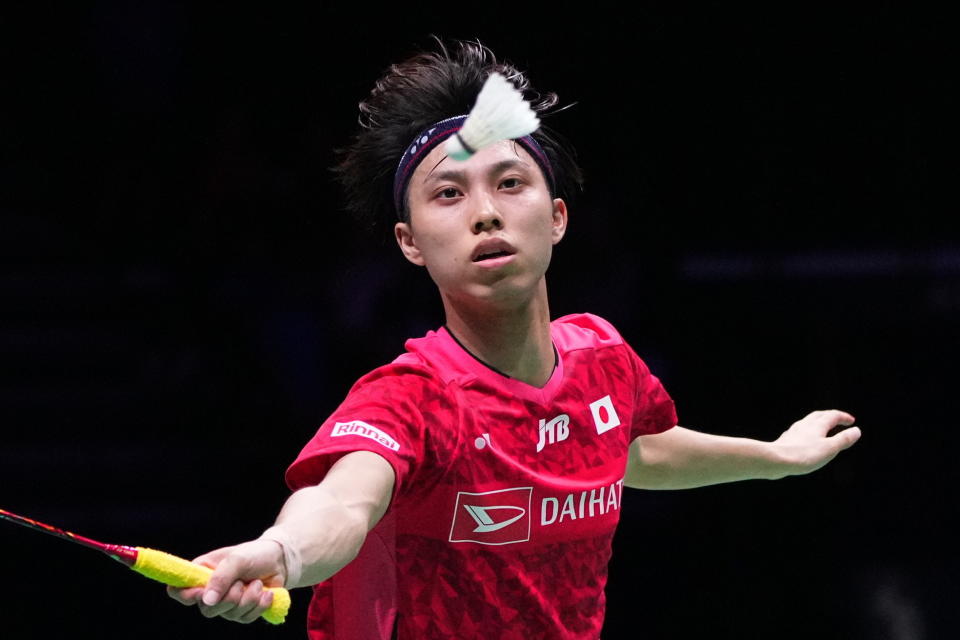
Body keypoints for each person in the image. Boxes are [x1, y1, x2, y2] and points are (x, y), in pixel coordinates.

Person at [167, 38, 861, 639]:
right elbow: (345, 502)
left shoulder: (601, 357)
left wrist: (775, 456)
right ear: (410, 244)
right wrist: (282, 551)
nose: (487, 213)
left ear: (557, 217)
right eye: (449, 194)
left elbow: (633, 449)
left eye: (509, 183)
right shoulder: (411, 399)